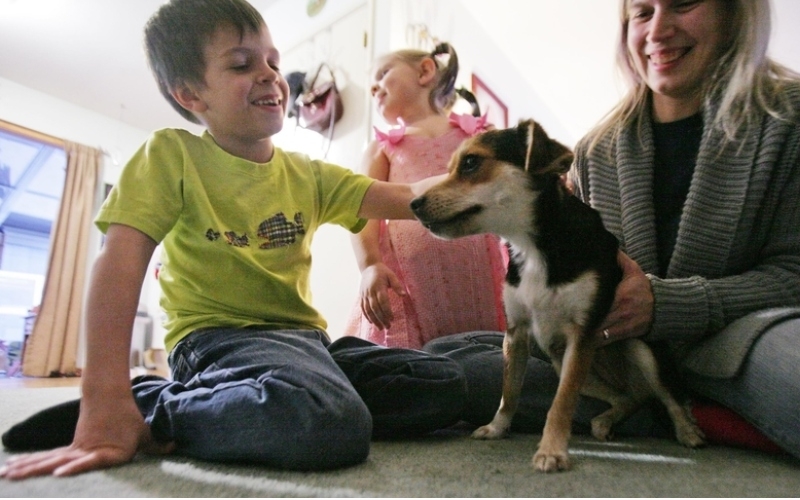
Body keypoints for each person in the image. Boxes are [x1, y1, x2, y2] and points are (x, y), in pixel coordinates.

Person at [0, 0, 468, 480]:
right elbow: (119, 261)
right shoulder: (171, 155)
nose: (270, 75)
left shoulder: (308, 174)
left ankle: (237, 403)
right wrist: (104, 397)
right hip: (216, 341)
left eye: (273, 62)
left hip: (308, 343)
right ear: (190, 94)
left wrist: (493, 172)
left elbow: (410, 194)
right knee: (329, 422)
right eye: (243, 64)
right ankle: (150, 408)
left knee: (446, 385)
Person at [424, 0, 800, 459]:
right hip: (613, 353)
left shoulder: (788, 121)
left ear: (735, 14)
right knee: (448, 357)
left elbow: (793, 274)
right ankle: (659, 408)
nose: (658, 30)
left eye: (683, 4)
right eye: (642, 13)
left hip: (737, 340)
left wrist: (666, 304)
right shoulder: (596, 150)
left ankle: (681, 409)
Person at [343, 42, 507, 349]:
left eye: (383, 73)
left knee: (487, 355)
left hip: (482, 277)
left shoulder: (477, 135)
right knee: (417, 369)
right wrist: (370, 265)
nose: (374, 88)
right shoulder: (383, 147)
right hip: (410, 285)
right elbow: (362, 208)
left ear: (425, 71)